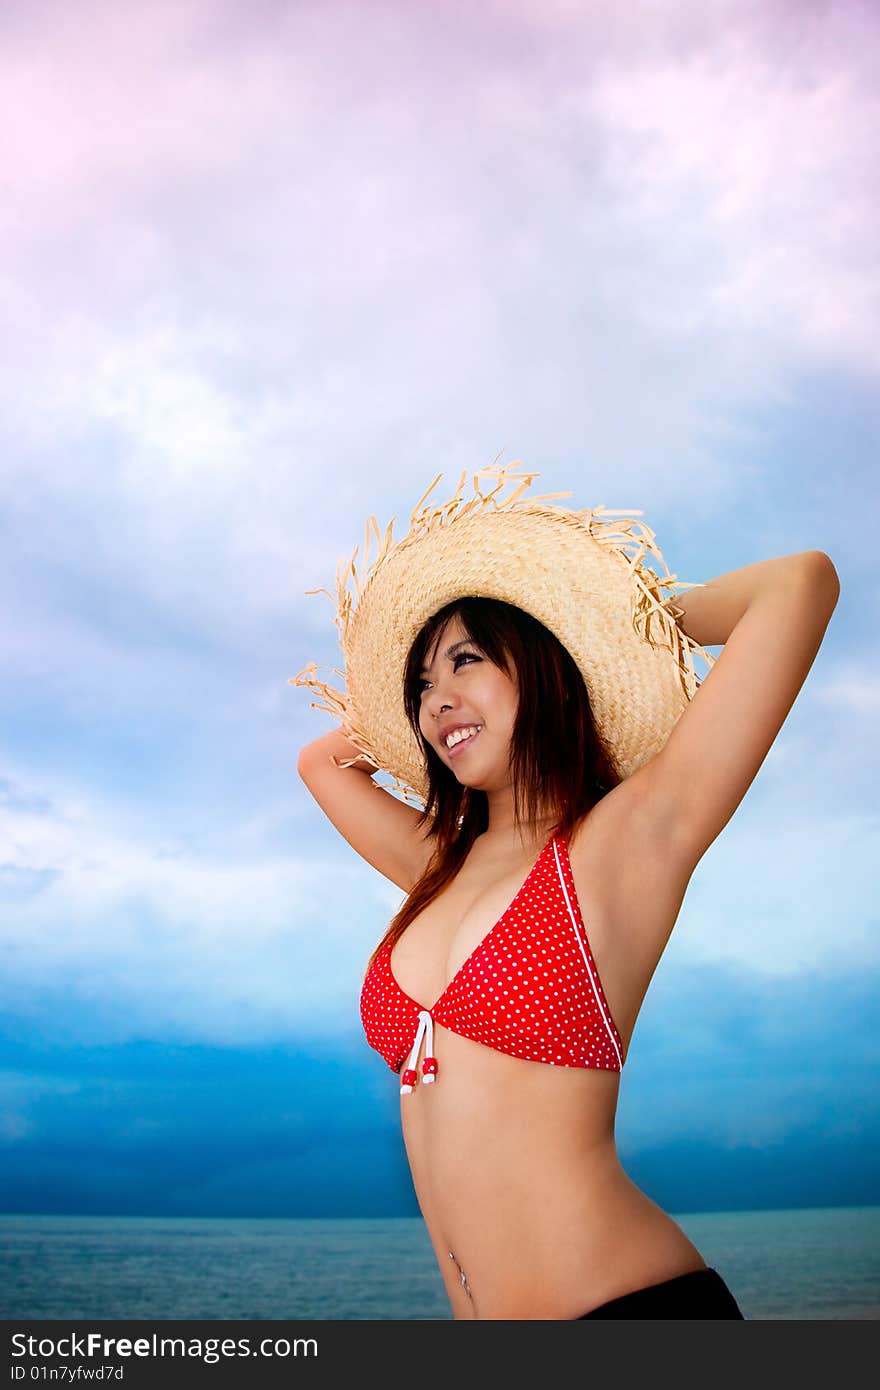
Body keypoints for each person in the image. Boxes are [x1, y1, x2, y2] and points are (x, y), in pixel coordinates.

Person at [292, 462, 839, 1320]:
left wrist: (606, 630)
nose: (438, 701)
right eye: (422, 685)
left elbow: (799, 583)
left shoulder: (625, 841)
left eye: (467, 661)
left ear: (539, 668)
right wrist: (424, 708)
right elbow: (320, 761)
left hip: (630, 1307)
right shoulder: (438, 866)